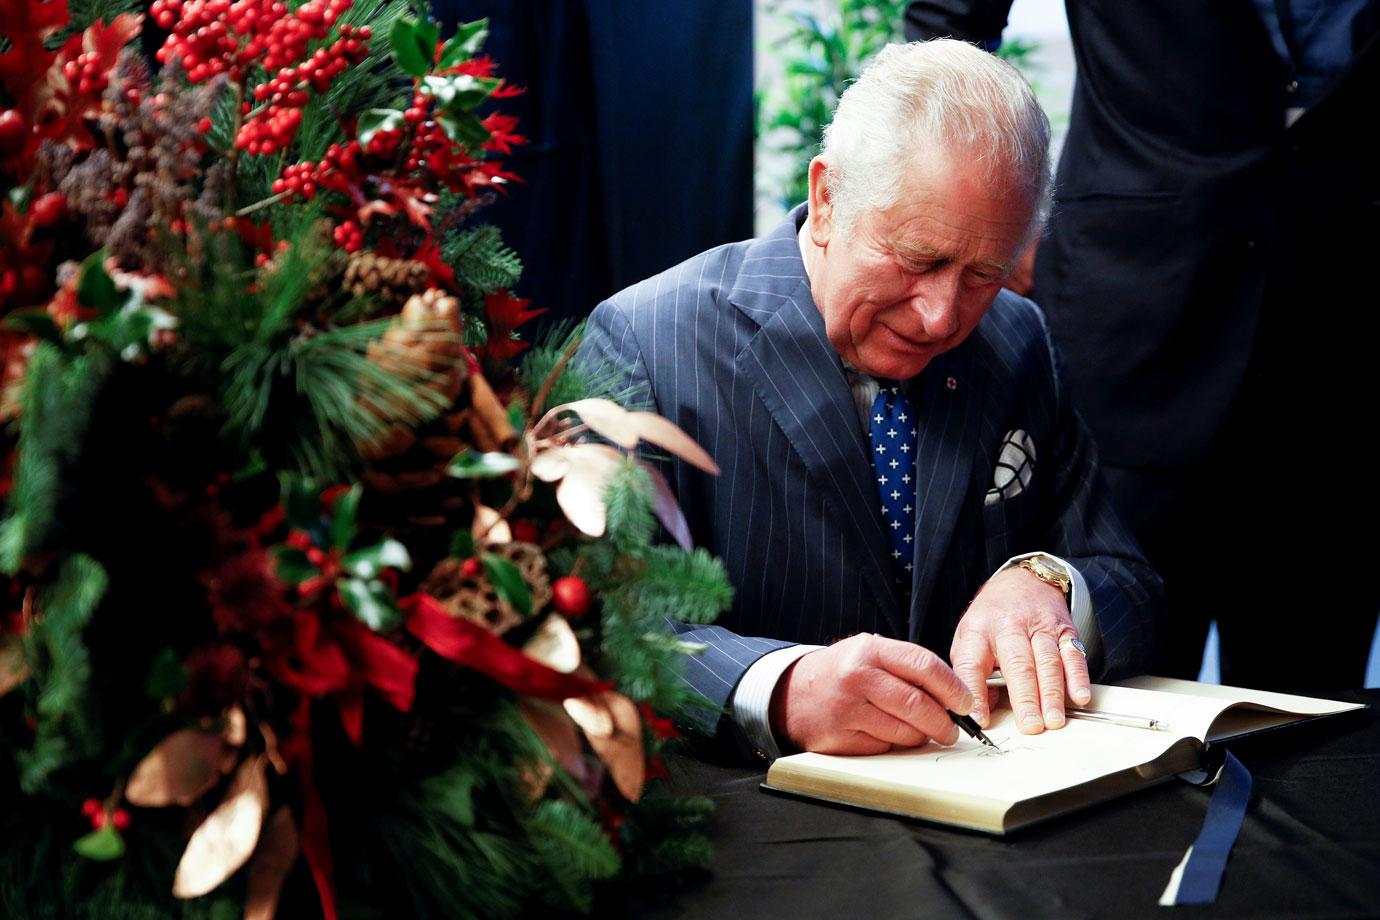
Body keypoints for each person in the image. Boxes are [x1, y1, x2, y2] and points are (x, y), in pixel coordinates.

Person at [577, 39, 1162, 761]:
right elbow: (599, 623)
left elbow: (1129, 579)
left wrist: (1049, 587)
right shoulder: (644, 342)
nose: (942, 318)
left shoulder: (1018, 340)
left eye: (983, 274)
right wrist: (781, 689)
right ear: (827, 200)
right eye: (919, 260)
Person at [904, 3, 1380, 690]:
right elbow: (947, 23)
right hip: (1133, 324)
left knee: (1310, 727)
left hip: (1345, 342)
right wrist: (989, 224)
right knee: (1097, 701)